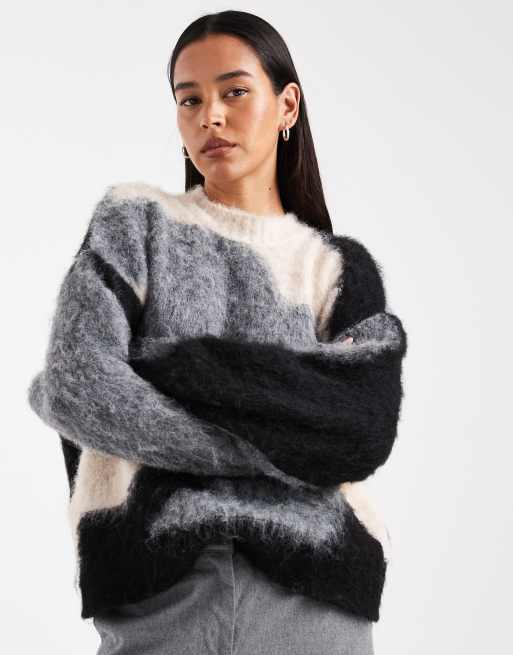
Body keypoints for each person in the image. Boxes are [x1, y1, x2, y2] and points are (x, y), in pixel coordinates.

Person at [27, 9, 408, 655]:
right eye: (189, 99)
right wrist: (284, 442)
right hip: (162, 589)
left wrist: (160, 369)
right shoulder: (133, 224)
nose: (210, 116)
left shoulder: (340, 270)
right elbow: (76, 388)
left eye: (234, 92)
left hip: (317, 595)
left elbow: (358, 434)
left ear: (287, 106)